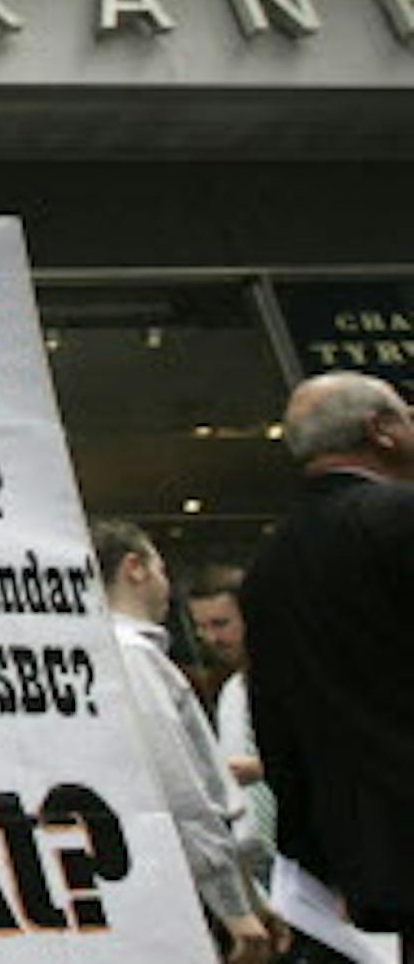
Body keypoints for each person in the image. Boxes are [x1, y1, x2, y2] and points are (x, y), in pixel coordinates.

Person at [245, 371, 414, 957]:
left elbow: (276, 724)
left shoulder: (268, 566)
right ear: (382, 430)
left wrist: (320, 854)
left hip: (371, 854)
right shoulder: (400, 518)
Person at [94, 520, 280, 964]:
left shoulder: (125, 654)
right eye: (160, 565)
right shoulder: (133, 656)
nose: (165, 582)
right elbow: (183, 794)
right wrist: (236, 907)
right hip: (185, 892)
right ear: (135, 567)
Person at [185, 566, 274, 880]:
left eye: (221, 624)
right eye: (202, 628)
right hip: (255, 861)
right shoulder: (232, 693)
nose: (212, 638)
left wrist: (261, 768)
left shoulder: (302, 680)